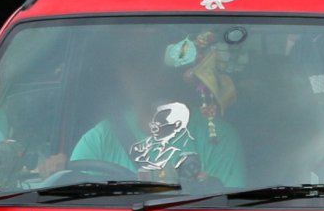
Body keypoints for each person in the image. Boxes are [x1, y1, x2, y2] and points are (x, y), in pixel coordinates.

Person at [68, 32, 246, 188]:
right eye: (131, 60)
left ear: (172, 68)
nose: (142, 70)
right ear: (117, 71)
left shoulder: (215, 137)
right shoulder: (99, 141)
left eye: (151, 58)